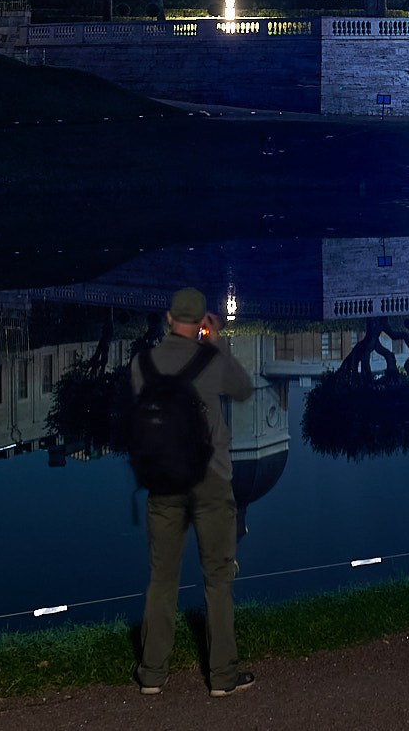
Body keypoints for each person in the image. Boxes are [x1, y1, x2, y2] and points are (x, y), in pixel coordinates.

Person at [133, 287, 257, 698]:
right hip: (211, 478)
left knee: (161, 580)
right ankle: (221, 677)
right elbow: (242, 389)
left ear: (169, 319)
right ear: (203, 320)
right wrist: (216, 343)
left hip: (163, 480)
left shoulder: (143, 363)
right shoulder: (211, 358)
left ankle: (152, 673)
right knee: (218, 580)